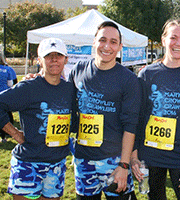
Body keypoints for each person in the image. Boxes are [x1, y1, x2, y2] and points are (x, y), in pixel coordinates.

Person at [131, 19, 180, 200]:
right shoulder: (147, 74)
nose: (178, 44)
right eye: (173, 37)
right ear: (163, 39)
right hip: (151, 157)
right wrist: (135, 156)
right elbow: (137, 118)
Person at [69, 21, 141, 200]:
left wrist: (124, 165)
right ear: (94, 42)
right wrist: (39, 77)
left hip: (114, 161)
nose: (107, 46)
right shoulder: (78, 70)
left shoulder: (129, 80)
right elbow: (64, 103)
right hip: (83, 160)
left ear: (120, 47)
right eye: (102, 40)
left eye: (113, 42)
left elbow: (131, 126)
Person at [0, 37, 74, 199]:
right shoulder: (28, 87)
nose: (54, 59)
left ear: (66, 59)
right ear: (40, 60)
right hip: (28, 163)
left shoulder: (70, 89)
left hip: (57, 163)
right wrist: (15, 133)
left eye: (59, 55)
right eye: (48, 56)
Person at [0, 53, 15, 143]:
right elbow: (10, 84)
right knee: (4, 117)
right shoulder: (7, 69)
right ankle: (4, 137)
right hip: (4, 95)